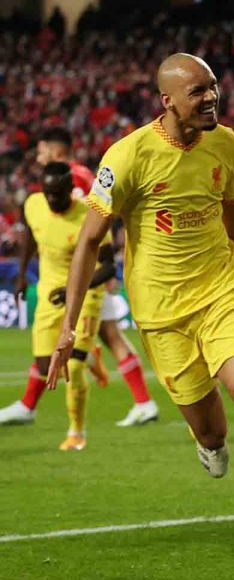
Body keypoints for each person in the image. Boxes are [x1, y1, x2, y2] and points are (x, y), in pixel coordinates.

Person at [45, 53, 234, 580]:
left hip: (222, 291)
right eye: (198, 91)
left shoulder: (228, 144)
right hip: (161, 313)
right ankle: (210, 444)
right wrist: (67, 329)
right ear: (168, 100)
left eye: (214, 87)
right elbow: (89, 241)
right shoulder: (127, 156)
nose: (211, 98)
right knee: (214, 431)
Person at [0, 128, 159, 428]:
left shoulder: (79, 179)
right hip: (76, 274)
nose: (39, 156)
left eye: (43, 151)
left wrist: (103, 273)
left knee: (103, 338)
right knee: (106, 337)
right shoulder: (65, 179)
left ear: (56, 151)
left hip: (86, 274)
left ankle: (137, 398)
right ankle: (141, 401)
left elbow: (96, 221)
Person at [0, 163, 115, 449]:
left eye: (58, 194)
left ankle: (77, 433)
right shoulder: (34, 204)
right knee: (43, 366)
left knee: (72, 368)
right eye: (48, 193)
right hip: (50, 292)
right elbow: (29, 235)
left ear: (70, 189)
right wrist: (23, 273)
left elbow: (109, 267)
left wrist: (75, 288)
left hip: (86, 294)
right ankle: (92, 356)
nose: (52, 199)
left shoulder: (90, 213)